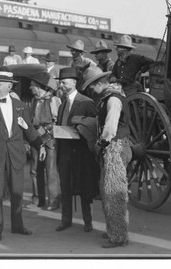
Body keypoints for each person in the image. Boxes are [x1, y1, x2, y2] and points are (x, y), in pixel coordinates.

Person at [0, 68, 50, 242]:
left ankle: (17, 226)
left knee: (17, 192)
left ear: (8, 86)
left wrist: (39, 145)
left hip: (16, 156)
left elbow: (29, 129)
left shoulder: (20, 106)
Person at [81, 67, 132, 248]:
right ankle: (114, 230)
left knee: (114, 194)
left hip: (115, 149)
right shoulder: (108, 98)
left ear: (100, 84)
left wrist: (100, 144)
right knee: (107, 191)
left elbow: (110, 128)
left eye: (92, 87)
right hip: (112, 148)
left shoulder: (113, 100)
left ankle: (119, 237)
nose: (90, 91)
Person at [55, 67, 99, 233]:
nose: (61, 85)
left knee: (84, 188)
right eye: (60, 83)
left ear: (74, 83)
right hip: (64, 153)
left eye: (64, 83)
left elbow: (95, 125)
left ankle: (88, 222)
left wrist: (81, 127)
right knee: (65, 187)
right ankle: (66, 220)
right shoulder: (62, 104)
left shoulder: (86, 102)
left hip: (81, 154)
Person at [29, 72, 62, 211]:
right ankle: (38, 199)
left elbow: (58, 122)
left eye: (33, 86)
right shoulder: (34, 100)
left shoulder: (54, 101)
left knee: (51, 170)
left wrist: (45, 131)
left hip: (50, 140)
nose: (31, 88)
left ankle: (54, 200)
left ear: (40, 87)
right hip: (36, 138)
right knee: (35, 170)